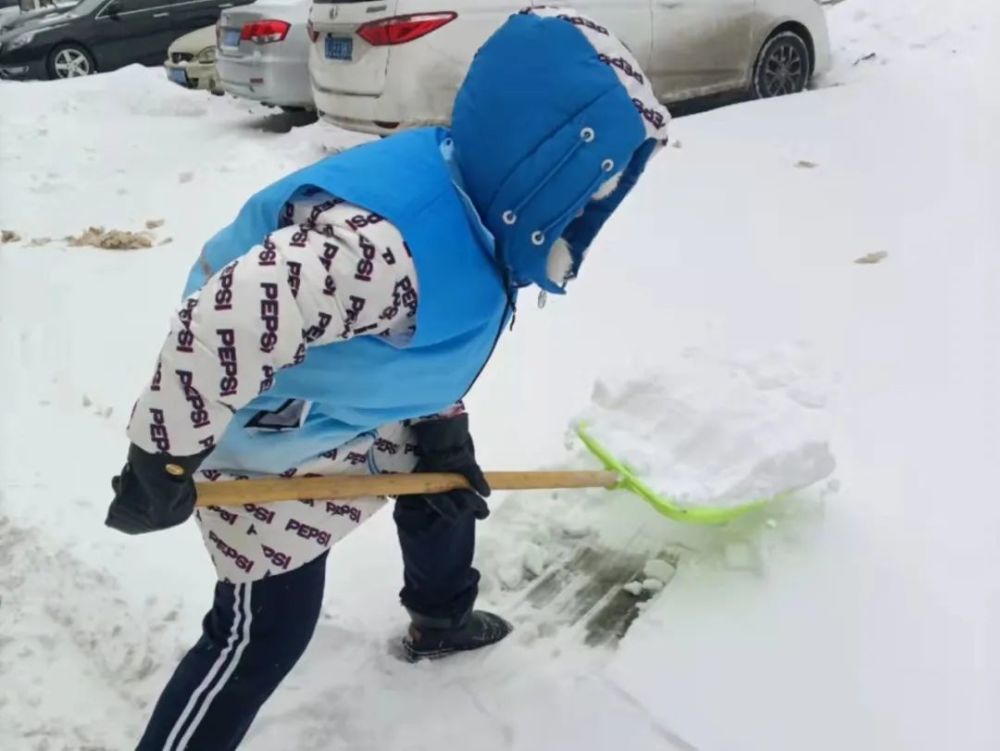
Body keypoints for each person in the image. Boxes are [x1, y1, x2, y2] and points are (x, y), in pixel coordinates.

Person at [105, 7, 670, 750]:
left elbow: (435, 329)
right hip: (258, 420)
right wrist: (166, 455)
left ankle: (439, 618)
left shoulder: (474, 205)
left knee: (442, 488)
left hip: (350, 395)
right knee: (265, 631)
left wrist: (444, 425)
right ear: (538, 172)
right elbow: (225, 320)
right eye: (587, 195)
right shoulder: (386, 251)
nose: (592, 216)